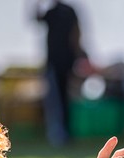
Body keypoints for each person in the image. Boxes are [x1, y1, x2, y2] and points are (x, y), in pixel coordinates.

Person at [36, 0, 86, 146]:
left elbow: (76, 34)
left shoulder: (59, 11)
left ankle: (61, 134)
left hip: (59, 62)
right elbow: (77, 34)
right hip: (61, 62)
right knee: (62, 99)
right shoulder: (57, 12)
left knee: (58, 100)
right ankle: (62, 134)